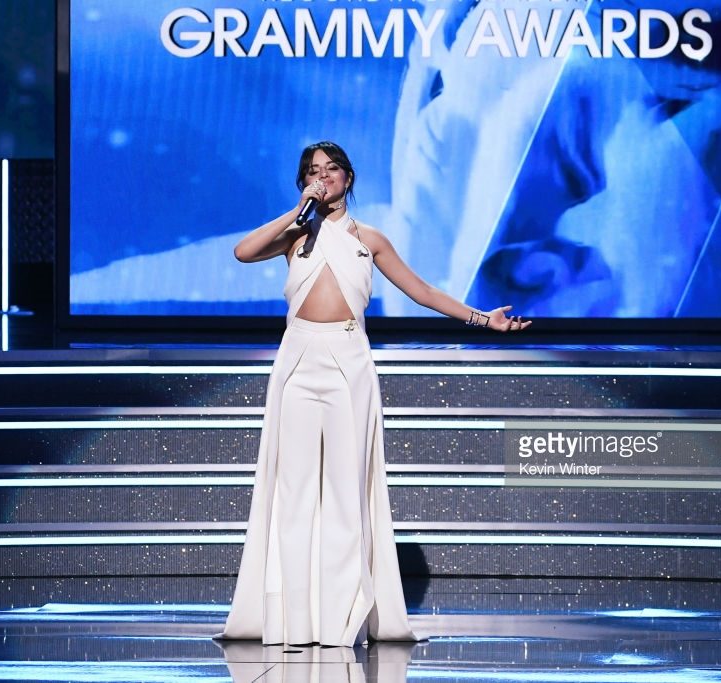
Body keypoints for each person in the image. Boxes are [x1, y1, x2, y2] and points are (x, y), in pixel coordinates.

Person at [214, 141, 531, 648]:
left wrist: (482, 319)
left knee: (344, 492)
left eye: (331, 170)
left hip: (348, 363)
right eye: (313, 172)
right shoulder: (294, 236)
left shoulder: (371, 239)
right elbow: (243, 251)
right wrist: (297, 214)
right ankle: (294, 622)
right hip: (298, 361)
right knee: (294, 493)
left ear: (348, 178)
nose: (323, 178)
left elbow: (422, 291)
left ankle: (340, 625)